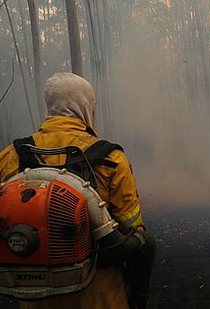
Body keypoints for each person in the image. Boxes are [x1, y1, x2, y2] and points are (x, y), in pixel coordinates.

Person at [0, 72, 154, 309]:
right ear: (87, 107)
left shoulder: (11, 156)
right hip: (98, 294)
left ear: (49, 106)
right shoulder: (111, 159)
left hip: (34, 294)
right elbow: (131, 228)